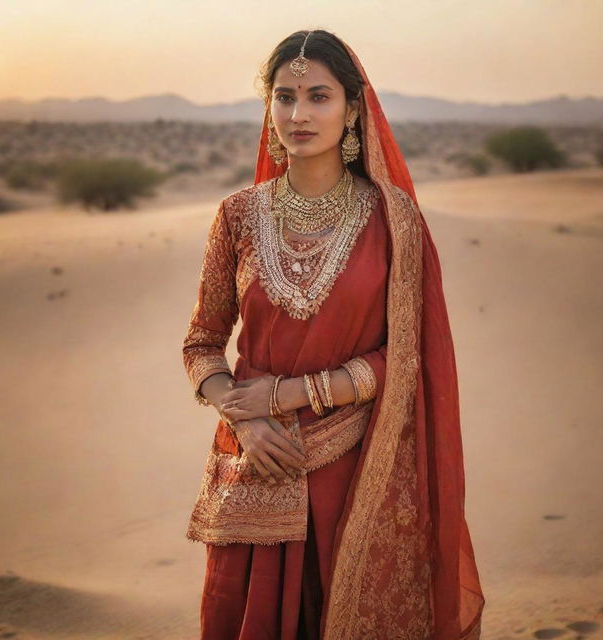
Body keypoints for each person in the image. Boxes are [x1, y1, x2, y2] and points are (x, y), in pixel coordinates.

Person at [181, 29, 485, 640]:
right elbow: (202, 344)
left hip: (355, 471)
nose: (299, 114)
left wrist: (292, 396)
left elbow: (408, 356)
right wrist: (245, 419)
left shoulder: (394, 220)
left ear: (352, 109)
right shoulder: (236, 214)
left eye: (318, 96)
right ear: (268, 108)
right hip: (256, 465)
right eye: (284, 96)